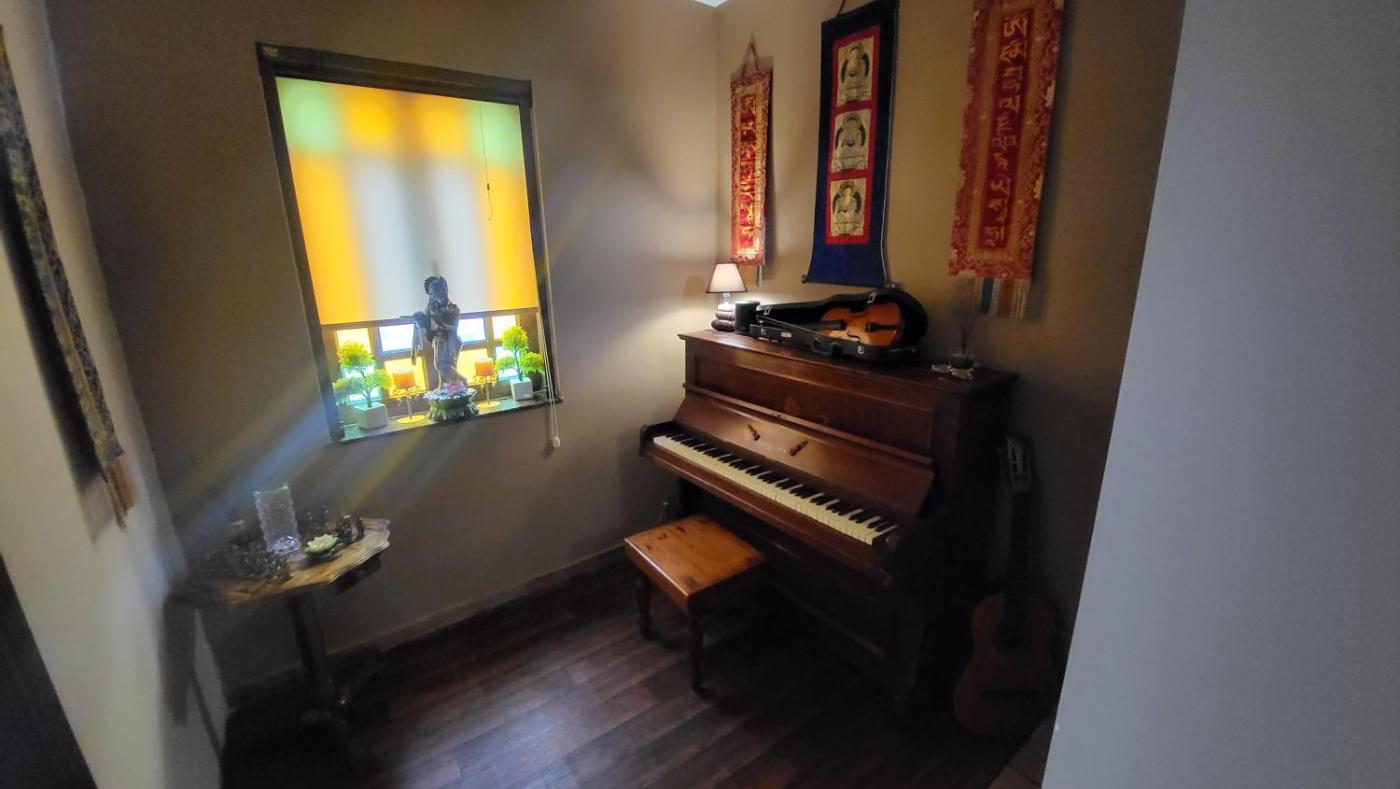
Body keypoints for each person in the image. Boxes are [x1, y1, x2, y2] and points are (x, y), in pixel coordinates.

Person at [413, 276, 464, 389]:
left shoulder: (452, 308)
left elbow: (452, 328)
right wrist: (421, 320)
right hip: (438, 340)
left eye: (440, 290)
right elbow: (429, 326)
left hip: (450, 342)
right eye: (433, 293)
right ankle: (444, 388)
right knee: (440, 367)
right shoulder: (432, 307)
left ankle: (462, 383)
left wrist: (437, 321)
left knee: (444, 365)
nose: (437, 295)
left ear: (445, 290)